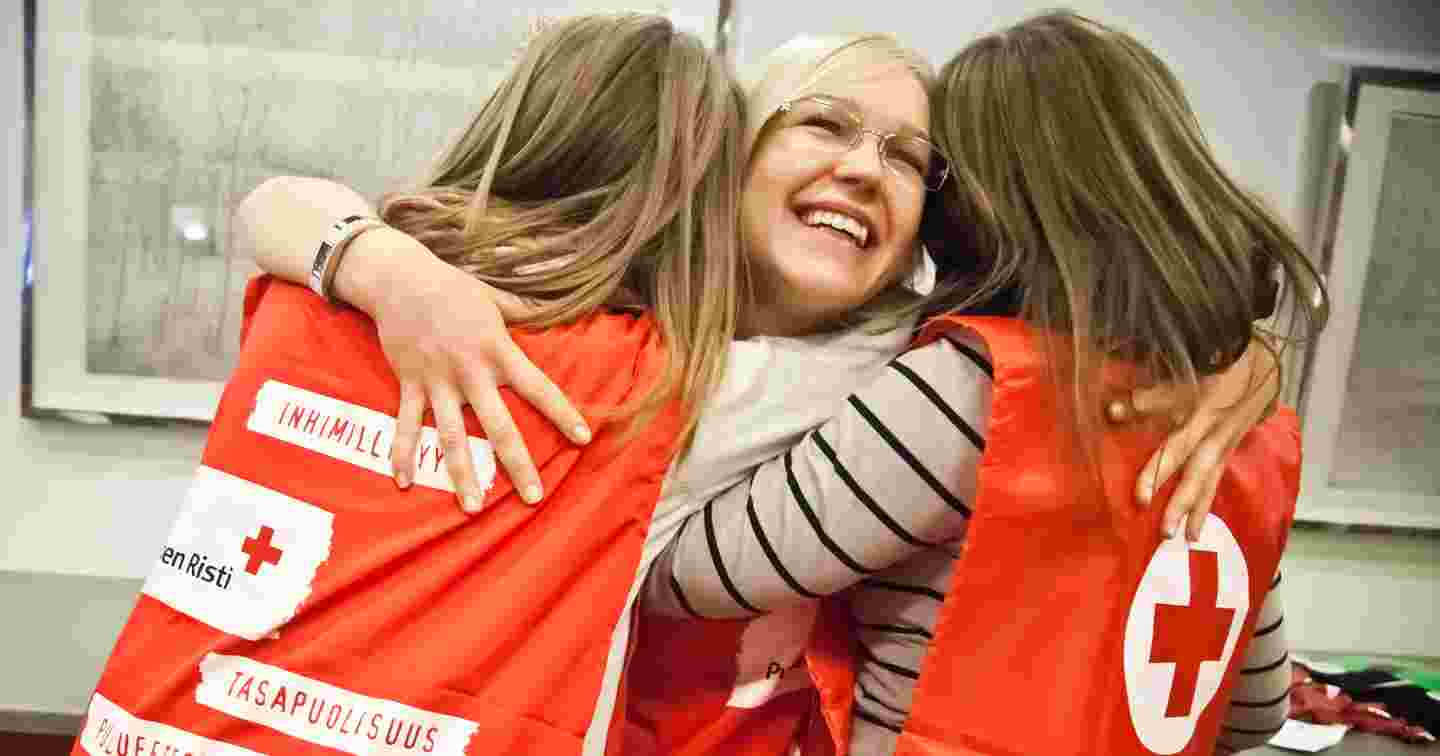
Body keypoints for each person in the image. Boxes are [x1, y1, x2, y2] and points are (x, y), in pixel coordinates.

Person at [641, 11, 1328, 755]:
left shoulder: (970, 389)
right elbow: (1254, 707)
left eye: (927, 166)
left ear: (984, 197)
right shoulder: (1228, 419)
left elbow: (685, 575)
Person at [73, 15, 750, 756]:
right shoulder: (654, 388)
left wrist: (375, 262)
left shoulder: (300, 300)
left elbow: (268, 207)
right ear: (702, 208)